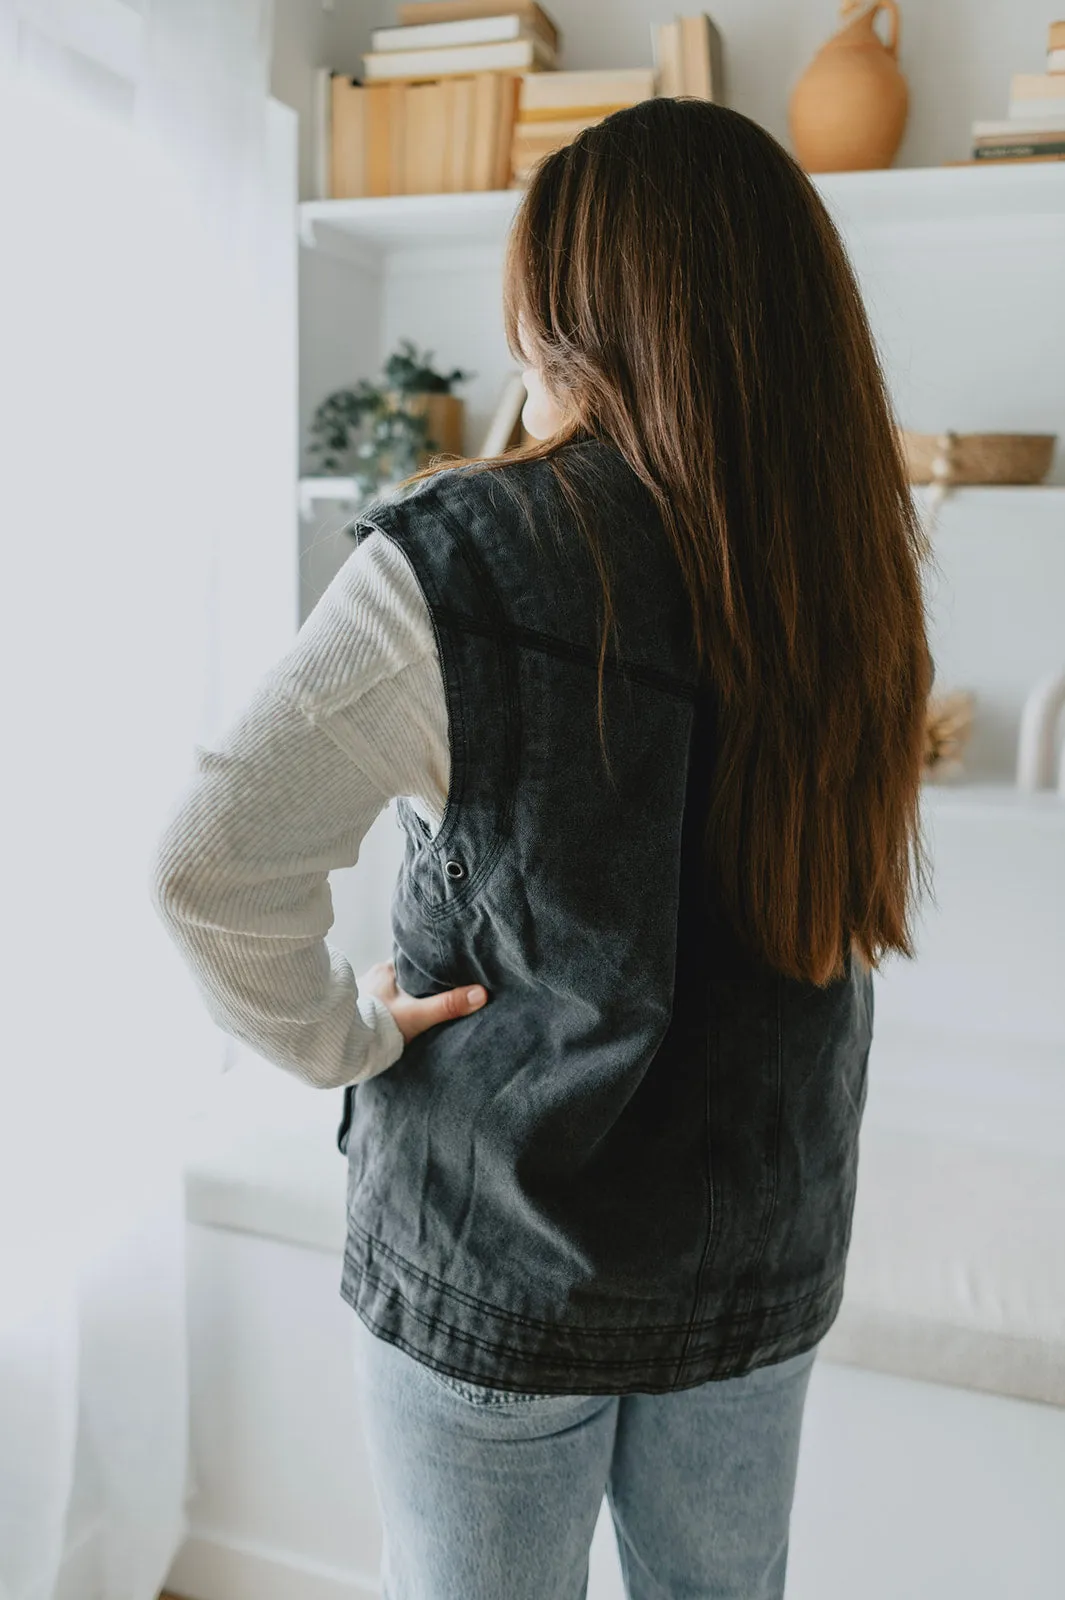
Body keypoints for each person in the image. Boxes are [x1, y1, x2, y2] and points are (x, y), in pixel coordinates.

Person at [151, 98, 932, 1600]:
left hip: (501, 1259)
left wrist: (342, 1037)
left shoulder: (460, 562)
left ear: (572, 315)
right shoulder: (845, 565)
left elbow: (207, 867)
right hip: (760, 1245)